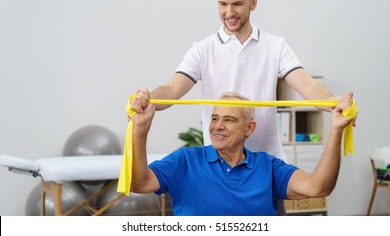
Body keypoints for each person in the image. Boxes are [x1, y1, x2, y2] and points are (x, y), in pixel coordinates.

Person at [131, 0, 352, 214]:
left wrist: (334, 103)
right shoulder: (202, 49)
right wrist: (149, 100)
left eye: (237, 4)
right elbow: (172, 88)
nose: (229, 12)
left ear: (253, 2)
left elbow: (308, 87)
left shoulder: (275, 46)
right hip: (217, 165)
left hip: (263, 172)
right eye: (222, 4)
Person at [130, 91, 356, 216]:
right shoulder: (186, 161)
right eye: (215, 118)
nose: (217, 126)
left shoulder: (269, 167)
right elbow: (139, 184)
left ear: (249, 128)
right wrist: (140, 131)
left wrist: (336, 129)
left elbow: (318, 188)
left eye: (229, 119)